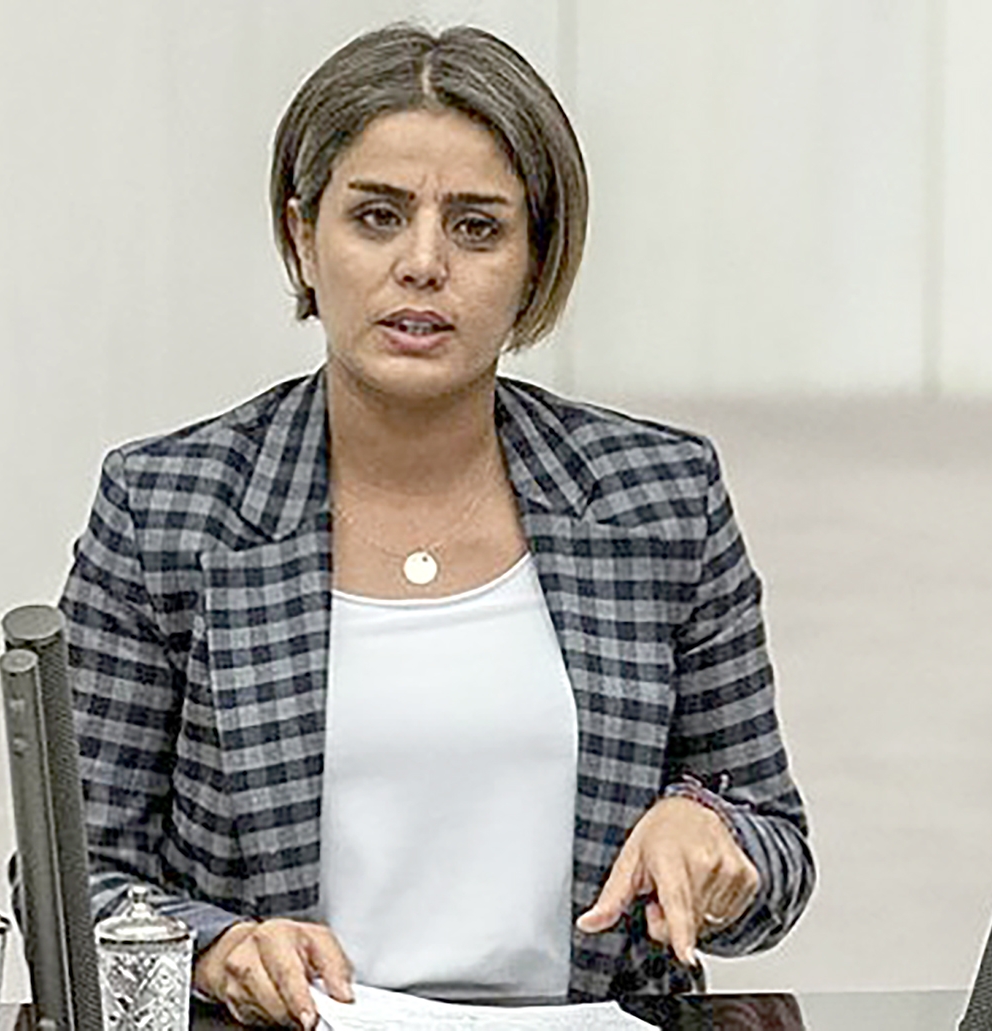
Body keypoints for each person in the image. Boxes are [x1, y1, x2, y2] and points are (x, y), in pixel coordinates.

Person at [60, 23, 813, 1027]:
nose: (422, 263)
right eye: (376, 217)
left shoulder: (659, 498)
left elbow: (775, 851)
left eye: (475, 227)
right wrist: (219, 949)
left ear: (534, 261)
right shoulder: (167, 509)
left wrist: (712, 836)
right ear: (302, 238)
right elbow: (74, 879)